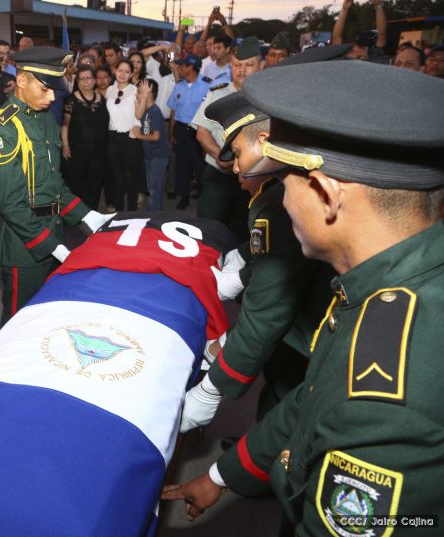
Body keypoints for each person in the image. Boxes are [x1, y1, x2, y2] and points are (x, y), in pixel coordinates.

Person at [163, 61, 444, 537]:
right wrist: (220, 475)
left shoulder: (386, 398)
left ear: (326, 193)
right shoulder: (379, 289)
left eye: (288, 181)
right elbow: (311, 399)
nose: (281, 196)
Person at [179, 91, 332, 437]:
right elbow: (281, 257)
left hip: (316, 326)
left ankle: (270, 459)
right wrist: (246, 264)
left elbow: (266, 309)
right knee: (281, 381)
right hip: (304, 318)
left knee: (293, 391)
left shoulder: (282, 198)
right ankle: (261, 441)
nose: (234, 166)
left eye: (239, 153)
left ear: (264, 141)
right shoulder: (278, 189)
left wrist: (212, 387)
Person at [0, 47, 113, 325]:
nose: (53, 97)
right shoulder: (1, 127)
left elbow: (54, 185)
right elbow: (11, 204)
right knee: (19, 321)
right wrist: (52, 246)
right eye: (45, 89)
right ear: (23, 80)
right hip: (25, 246)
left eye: (56, 90)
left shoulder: (44, 119)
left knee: (47, 314)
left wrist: (88, 215)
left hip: (54, 232)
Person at [192, 37, 263, 243]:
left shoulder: (268, 98)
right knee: (208, 230)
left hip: (254, 178)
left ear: (261, 65)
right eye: (237, 65)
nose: (242, 70)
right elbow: (202, 131)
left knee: (246, 232)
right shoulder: (217, 94)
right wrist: (219, 156)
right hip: (218, 175)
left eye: (249, 65)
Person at [60, 64, 110, 210]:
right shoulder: (71, 100)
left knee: (95, 183)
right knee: (76, 184)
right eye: (82, 79)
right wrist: (66, 145)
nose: (85, 81)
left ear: (94, 80)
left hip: (99, 152)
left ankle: (91, 213)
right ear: (78, 81)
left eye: (88, 78)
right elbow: (65, 125)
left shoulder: (102, 99)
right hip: (77, 151)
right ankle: (77, 215)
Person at [167, 55, 212, 210]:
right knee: (182, 165)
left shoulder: (207, 86)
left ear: (190, 68)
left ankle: (204, 197)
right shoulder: (179, 86)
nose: (179, 69)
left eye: (182, 66)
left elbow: (210, 112)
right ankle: (183, 196)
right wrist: (171, 134)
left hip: (197, 131)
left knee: (199, 166)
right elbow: (173, 111)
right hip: (181, 130)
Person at [106, 59, 143, 212]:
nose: (122, 74)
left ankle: (132, 210)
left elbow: (139, 114)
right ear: (115, 70)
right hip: (113, 137)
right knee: (117, 176)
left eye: (127, 71)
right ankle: (119, 210)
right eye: (120, 70)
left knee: (130, 177)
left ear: (131, 74)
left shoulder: (135, 90)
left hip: (130, 138)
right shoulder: (109, 90)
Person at [129, 79, 170, 211]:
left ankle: (155, 216)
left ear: (149, 94)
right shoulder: (145, 110)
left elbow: (156, 135)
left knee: (155, 188)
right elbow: (137, 114)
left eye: (140, 92)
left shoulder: (154, 112)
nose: (137, 95)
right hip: (150, 154)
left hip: (159, 155)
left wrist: (140, 135)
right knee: (151, 185)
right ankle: (154, 212)